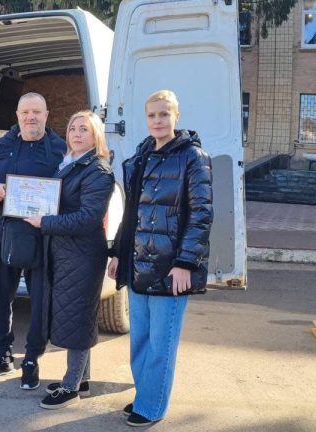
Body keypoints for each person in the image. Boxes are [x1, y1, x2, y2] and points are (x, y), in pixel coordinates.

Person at [107, 90, 213, 427]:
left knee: (160, 344)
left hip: (170, 268)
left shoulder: (194, 157)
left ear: (176, 117)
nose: (158, 121)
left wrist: (185, 263)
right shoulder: (142, 155)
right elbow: (132, 212)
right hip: (138, 263)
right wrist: (118, 254)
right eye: (152, 115)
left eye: (164, 114)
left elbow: (201, 215)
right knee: (139, 340)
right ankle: (144, 396)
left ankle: (152, 407)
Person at [0, 92, 66, 389]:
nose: (31, 117)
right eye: (25, 112)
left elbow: (73, 191)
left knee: (41, 302)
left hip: (43, 239)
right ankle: (3, 355)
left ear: (46, 115)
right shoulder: (1, 146)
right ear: (17, 115)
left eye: (37, 112)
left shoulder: (60, 149)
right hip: (4, 235)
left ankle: (32, 359)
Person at [24, 110, 114, 409]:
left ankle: (71, 386)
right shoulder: (72, 164)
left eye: (84, 129)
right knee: (77, 316)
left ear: (96, 137)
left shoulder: (97, 171)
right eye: (73, 128)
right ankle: (82, 379)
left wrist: (45, 222)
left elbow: (88, 219)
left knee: (77, 319)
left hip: (83, 255)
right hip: (67, 253)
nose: (76, 133)